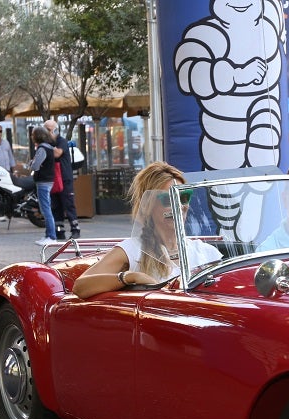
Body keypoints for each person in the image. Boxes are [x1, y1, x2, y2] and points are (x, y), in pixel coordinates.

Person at [72, 162, 221, 299]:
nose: (180, 205)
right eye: (168, 199)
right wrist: (130, 277)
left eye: (184, 197)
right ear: (147, 205)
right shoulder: (133, 249)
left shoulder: (206, 252)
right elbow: (80, 286)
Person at [43, 119, 80, 240]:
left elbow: (57, 153)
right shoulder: (46, 142)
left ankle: (75, 229)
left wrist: (45, 146)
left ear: (55, 129)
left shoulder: (61, 141)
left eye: (48, 129)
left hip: (64, 178)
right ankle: (60, 231)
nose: (46, 132)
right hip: (52, 178)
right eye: (45, 129)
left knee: (68, 204)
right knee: (56, 206)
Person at [28, 126, 58, 244]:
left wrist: (32, 163)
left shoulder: (42, 148)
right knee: (46, 208)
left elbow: (35, 166)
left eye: (33, 135)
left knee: (45, 209)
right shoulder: (49, 147)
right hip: (48, 180)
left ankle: (51, 236)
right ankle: (48, 235)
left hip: (43, 181)